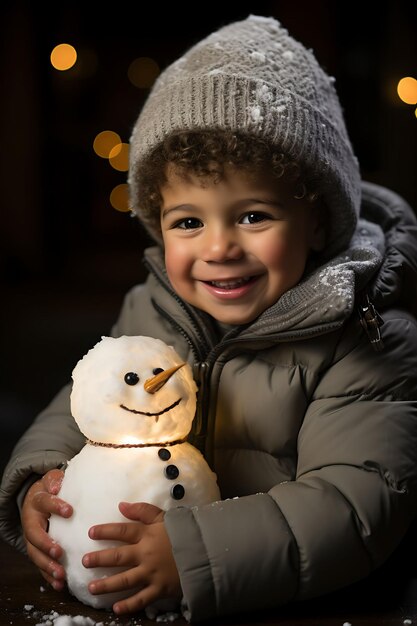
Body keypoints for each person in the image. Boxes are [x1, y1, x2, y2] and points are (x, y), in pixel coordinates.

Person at [1, 14, 417, 623]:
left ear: (319, 222)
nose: (218, 248)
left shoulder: (365, 334)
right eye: (188, 222)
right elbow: (84, 400)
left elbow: (356, 503)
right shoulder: (156, 305)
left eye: (252, 216)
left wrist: (195, 554)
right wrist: (42, 485)